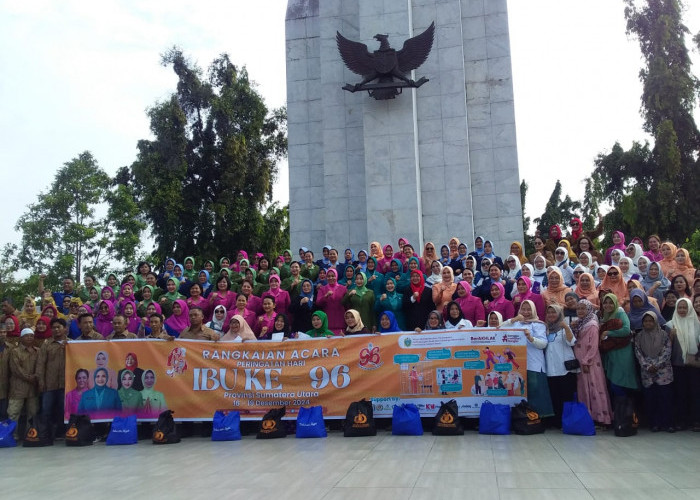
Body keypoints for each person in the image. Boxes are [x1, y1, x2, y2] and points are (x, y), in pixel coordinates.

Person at [501, 300, 554, 417]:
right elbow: (499, 328)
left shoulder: (539, 324)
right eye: (523, 309)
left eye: (528, 309)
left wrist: (531, 338)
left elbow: (543, 344)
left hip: (533, 363)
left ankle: (537, 418)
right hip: (518, 365)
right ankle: (522, 418)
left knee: (535, 392)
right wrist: (514, 319)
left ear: (534, 310)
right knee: (519, 391)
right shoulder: (516, 324)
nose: (526, 312)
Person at [572, 299, 612, 425]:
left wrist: (586, 361)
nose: (580, 311)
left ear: (589, 309)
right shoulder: (580, 323)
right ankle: (587, 416)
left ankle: (599, 417)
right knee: (583, 388)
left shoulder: (592, 325)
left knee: (593, 386)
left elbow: (593, 345)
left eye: (583, 308)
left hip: (589, 362)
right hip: (580, 359)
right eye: (578, 308)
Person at [633, 311, 674, 433]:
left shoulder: (664, 335)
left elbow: (667, 350)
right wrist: (647, 365)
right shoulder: (639, 336)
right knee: (651, 400)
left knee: (665, 399)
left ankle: (667, 423)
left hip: (663, 372)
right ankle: (654, 424)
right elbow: (638, 352)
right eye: (645, 321)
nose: (648, 323)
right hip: (647, 373)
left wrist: (657, 365)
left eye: (651, 321)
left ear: (655, 321)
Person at [666, 298, 700, 431]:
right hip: (677, 364)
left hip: (694, 365)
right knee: (680, 393)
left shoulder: (696, 324)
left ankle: (696, 420)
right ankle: (681, 420)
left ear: (690, 308)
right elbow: (666, 346)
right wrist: (671, 337)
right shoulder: (670, 325)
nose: (682, 310)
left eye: (684, 308)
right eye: (679, 307)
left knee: (695, 393)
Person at [543, 305, 578, 427]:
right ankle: (556, 421)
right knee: (554, 397)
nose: (551, 315)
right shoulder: (546, 329)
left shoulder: (563, 328)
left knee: (566, 397)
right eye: (549, 312)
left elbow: (571, 342)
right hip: (551, 369)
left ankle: (567, 421)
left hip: (564, 370)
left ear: (559, 314)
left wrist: (566, 327)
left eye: (554, 312)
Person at [600, 293, 640, 399]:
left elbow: (626, 330)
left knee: (620, 382)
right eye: (605, 303)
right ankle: (621, 411)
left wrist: (608, 333)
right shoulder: (604, 315)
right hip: (611, 352)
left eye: (611, 303)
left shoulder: (620, 312)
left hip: (622, 352)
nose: (608, 305)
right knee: (614, 382)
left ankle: (629, 410)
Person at [36, 318, 67, 438]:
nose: (56, 329)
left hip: (65, 383)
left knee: (62, 410)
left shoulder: (70, 343)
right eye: (54, 327)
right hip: (49, 383)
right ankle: (45, 434)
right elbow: (40, 364)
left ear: (65, 329)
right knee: (46, 410)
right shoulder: (46, 344)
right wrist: (41, 380)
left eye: (59, 327)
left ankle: (62, 433)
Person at [8, 328, 39, 439]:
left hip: (32, 388)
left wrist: (36, 376)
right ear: (21, 338)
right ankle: (12, 435)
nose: (29, 338)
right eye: (27, 336)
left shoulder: (37, 351)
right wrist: (30, 378)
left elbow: (40, 366)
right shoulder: (15, 351)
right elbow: (16, 369)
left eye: (31, 335)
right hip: (18, 387)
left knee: (33, 412)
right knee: (13, 413)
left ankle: (30, 435)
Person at [316, 269, 347, 334]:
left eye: (333, 276)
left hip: (340, 322)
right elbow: (318, 303)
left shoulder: (343, 289)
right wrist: (325, 296)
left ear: (336, 276)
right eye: (328, 276)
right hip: (327, 322)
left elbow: (347, 305)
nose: (331, 278)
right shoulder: (322, 289)